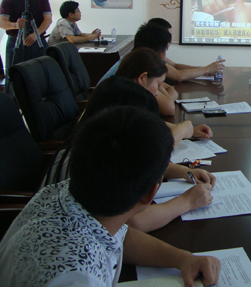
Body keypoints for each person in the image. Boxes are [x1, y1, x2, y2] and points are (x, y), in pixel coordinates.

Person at [0, 107, 221, 286]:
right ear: (150, 194)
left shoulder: (64, 192)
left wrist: (183, 259)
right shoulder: (79, 279)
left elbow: (120, 236)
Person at [43, 77, 216, 234]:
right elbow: (133, 223)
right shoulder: (93, 162)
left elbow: (137, 162)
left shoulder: (95, 145)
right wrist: (187, 201)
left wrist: (184, 172)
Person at [0, 0, 52, 72]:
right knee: (15, 74)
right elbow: (2, 22)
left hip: (38, 40)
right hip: (16, 42)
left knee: (41, 72)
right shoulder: (8, 0)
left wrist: (35, 34)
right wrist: (15, 25)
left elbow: (48, 19)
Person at [148, 17, 225, 82]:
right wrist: (206, 69)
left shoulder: (155, 51)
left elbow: (175, 65)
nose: (171, 41)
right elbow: (179, 76)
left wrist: (204, 70)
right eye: (169, 36)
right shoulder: (150, 56)